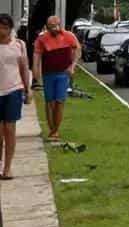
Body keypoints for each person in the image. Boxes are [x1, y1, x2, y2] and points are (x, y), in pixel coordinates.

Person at [32, 15, 80, 141]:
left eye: (56, 25)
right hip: (48, 74)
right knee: (50, 102)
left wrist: (72, 66)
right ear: (47, 27)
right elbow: (36, 56)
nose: (54, 28)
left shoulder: (69, 36)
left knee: (60, 101)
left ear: (60, 24)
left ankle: (55, 130)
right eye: (51, 26)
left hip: (63, 73)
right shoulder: (42, 39)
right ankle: (52, 129)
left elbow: (77, 50)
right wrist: (36, 71)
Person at [0, 14, 33, 180]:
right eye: (0, 27)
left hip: (13, 89)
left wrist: (27, 90)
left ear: (10, 29)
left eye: (5, 28)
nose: (2, 31)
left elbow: (24, 68)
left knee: (10, 130)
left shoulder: (19, 45)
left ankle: (8, 167)